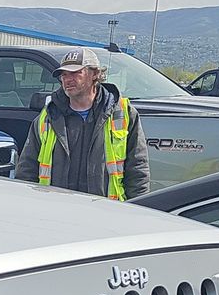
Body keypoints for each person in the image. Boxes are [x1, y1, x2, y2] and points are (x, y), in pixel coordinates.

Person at [14, 46, 149, 200]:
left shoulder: (123, 114)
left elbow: (138, 171)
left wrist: (138, 209)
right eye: (64, 74)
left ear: (95, 74)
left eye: (75, 73)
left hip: (106, 212)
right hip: (56, 209)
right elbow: (27, 169)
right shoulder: (48, 116)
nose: (67, 79)